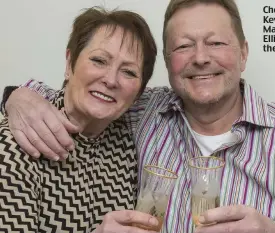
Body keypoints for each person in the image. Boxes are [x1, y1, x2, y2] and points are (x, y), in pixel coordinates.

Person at [2, 0, 275, 233]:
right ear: (167, 61)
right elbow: (83, 95)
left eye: (216, 43)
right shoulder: (142, 111)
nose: (201, 58)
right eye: (184, 46)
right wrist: (15, 96)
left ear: (243, 53)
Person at [0, 6, 160, 233]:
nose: (111, 80)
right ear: (69, 63)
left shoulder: (124, 140)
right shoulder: (16, 144)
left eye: (129, 72)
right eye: (99, 60)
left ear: (139, 93)